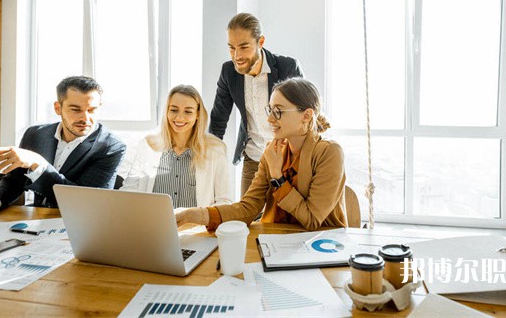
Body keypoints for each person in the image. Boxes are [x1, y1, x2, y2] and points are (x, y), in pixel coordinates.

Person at [177, 77, 347, 231]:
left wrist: (277, 177)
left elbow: (311, 219)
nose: (270, 119)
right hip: (276, 241)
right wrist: (194, 215)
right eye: (270, 110)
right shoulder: (272, 151)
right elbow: (248, 208)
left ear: (306, 115)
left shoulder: (329, 152)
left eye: (278, 111)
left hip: (320, 247)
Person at [0, 76, 126, 222]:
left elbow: (85, 203)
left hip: (80, 227)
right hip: (35, 223)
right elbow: (15, 180)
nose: (85, 118)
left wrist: (38, 164)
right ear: (58, 108)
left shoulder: (110, 147)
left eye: (92, 110)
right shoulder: (36, 134)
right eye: (76, 109)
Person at [209, 13, 304, 197]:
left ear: (260, 42)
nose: (237, 55)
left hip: (288, 158)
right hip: (253, 157)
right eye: (231, 48)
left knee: (288, 218)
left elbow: (306, 116)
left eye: (244, 47)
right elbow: (218, 119)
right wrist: (208, 159)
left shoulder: (288, 67)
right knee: (249, 220)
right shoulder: (228, 72)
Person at [119, 85, 231, 207]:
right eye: (174, 110)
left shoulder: (215, 149)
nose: (179, 117)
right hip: (152, 224)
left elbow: (223, 201)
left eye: (188, 111)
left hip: (196, 226)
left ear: (198, 114)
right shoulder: (147, 145)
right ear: (167, 111)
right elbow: (129, 193)